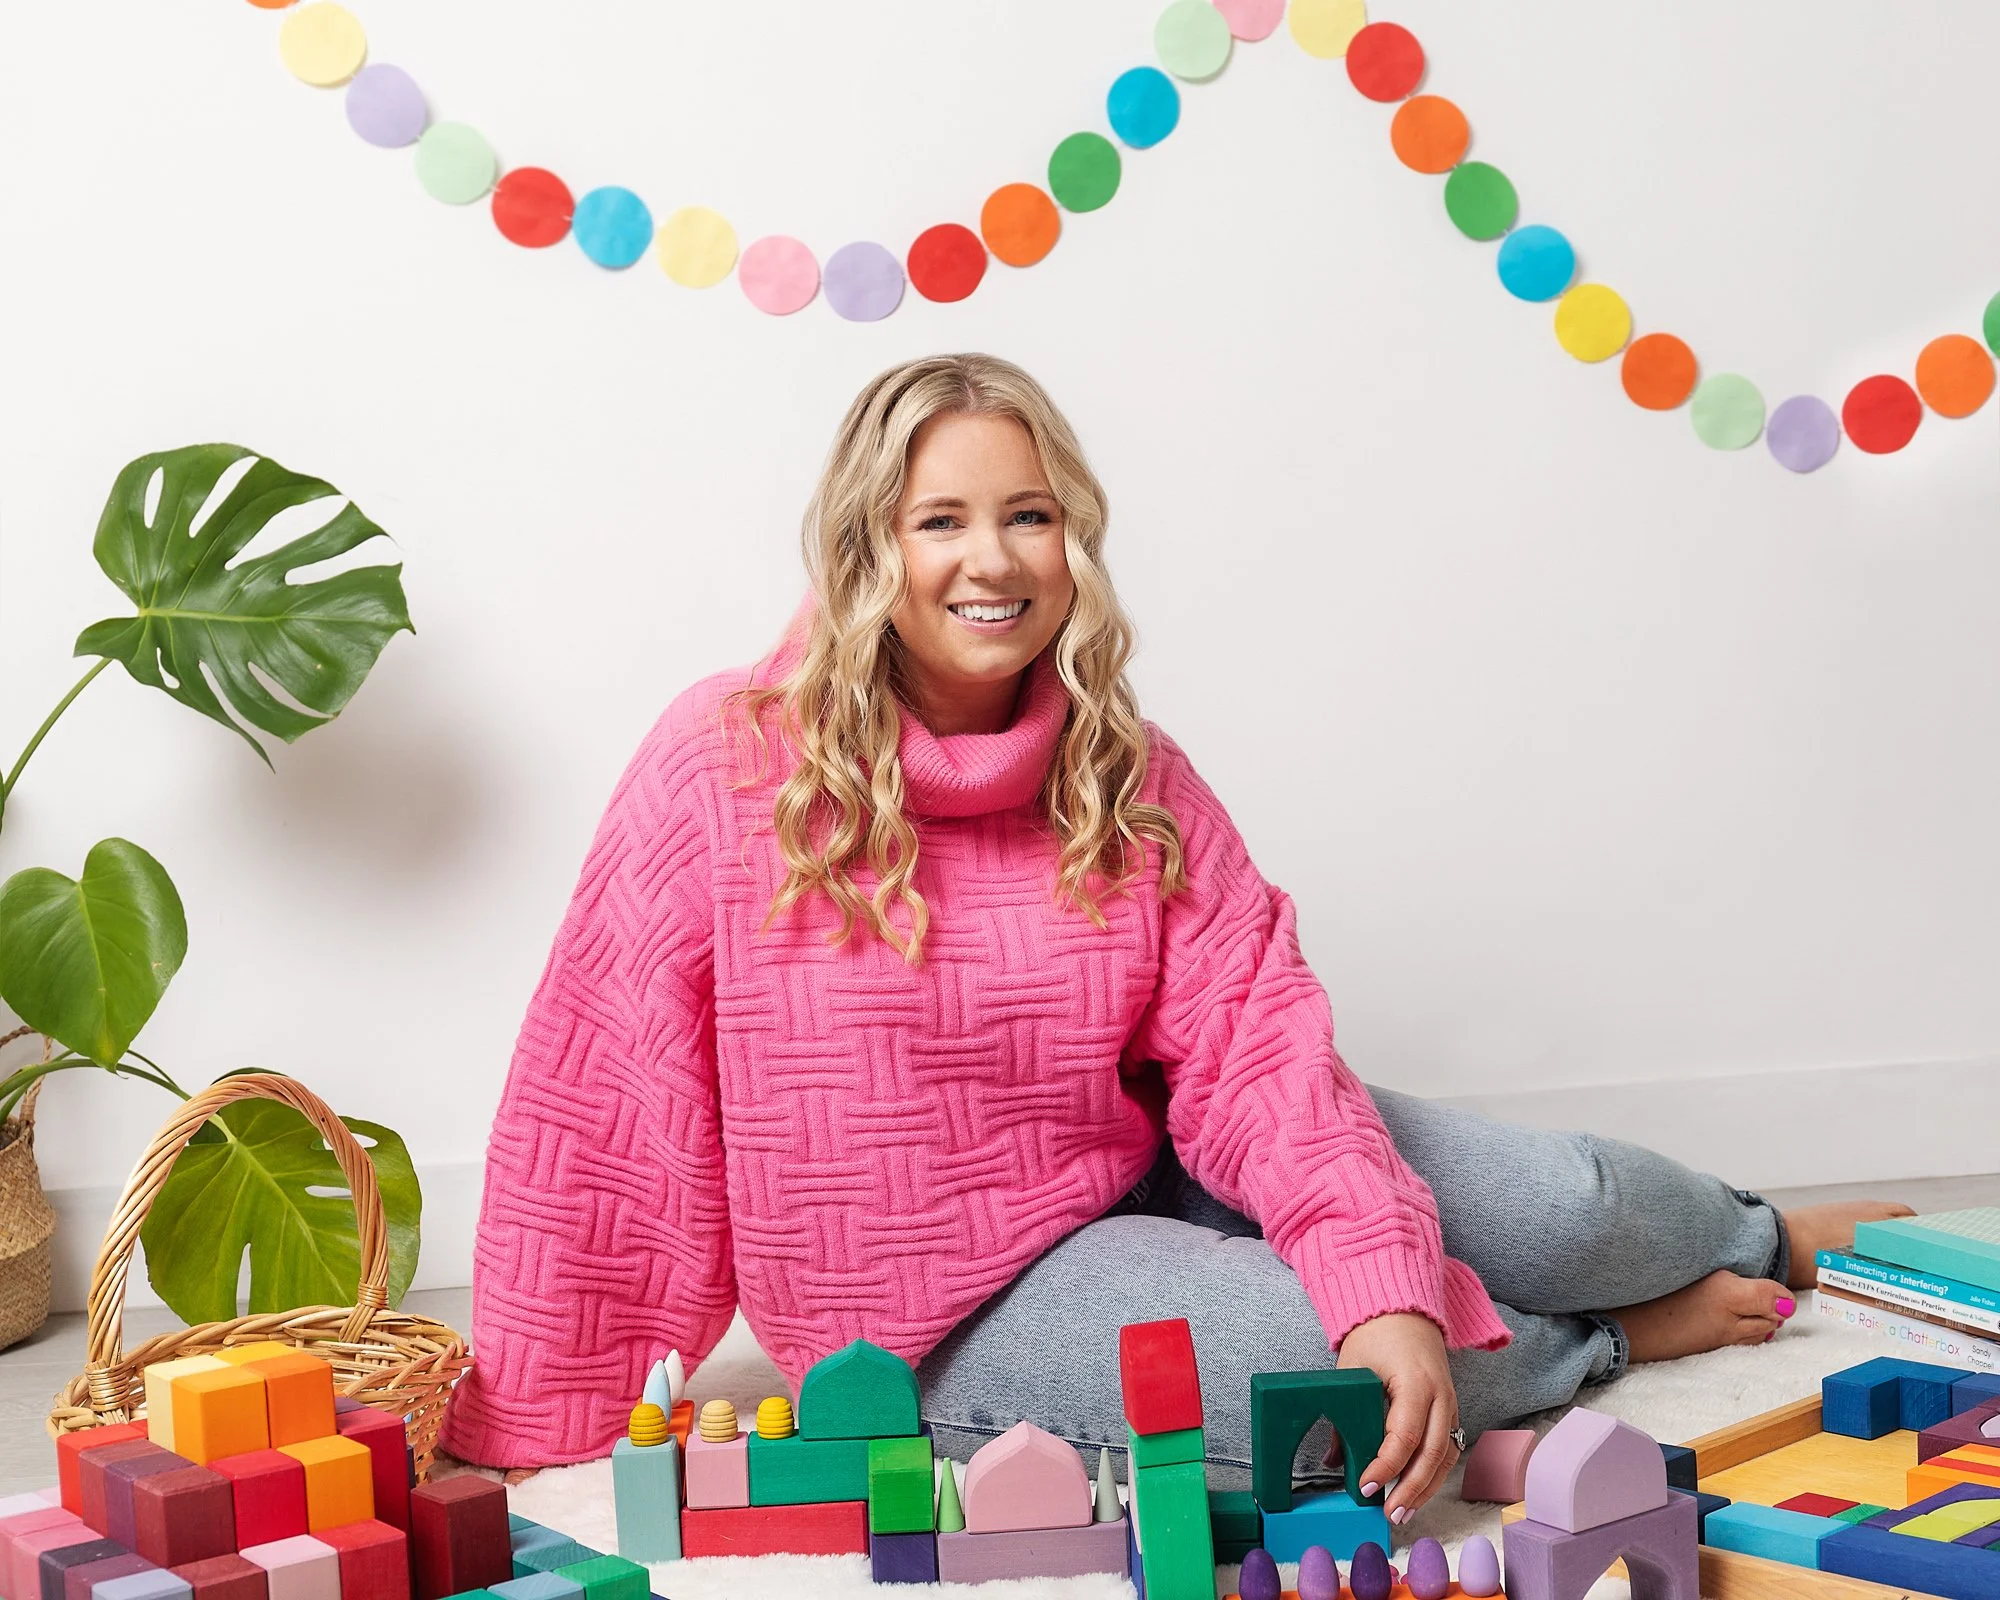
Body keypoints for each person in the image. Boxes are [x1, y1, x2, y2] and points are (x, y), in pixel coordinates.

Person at [439, 354, 1908, 1520]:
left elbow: (1258, 1042)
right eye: (938, 518)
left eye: (1028, 514)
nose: (990, 559)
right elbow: (608, 1087)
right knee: (1310, 1370)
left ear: (1074, 539)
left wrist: (1380, 1272)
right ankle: (1605, 1345)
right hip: (943, 1310)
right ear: (867, 545)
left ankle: (1758, 1230)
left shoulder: (1121, 763)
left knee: (1569, 1205)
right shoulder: (726, 762)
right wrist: (537, 1400)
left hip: (1152, 1158)